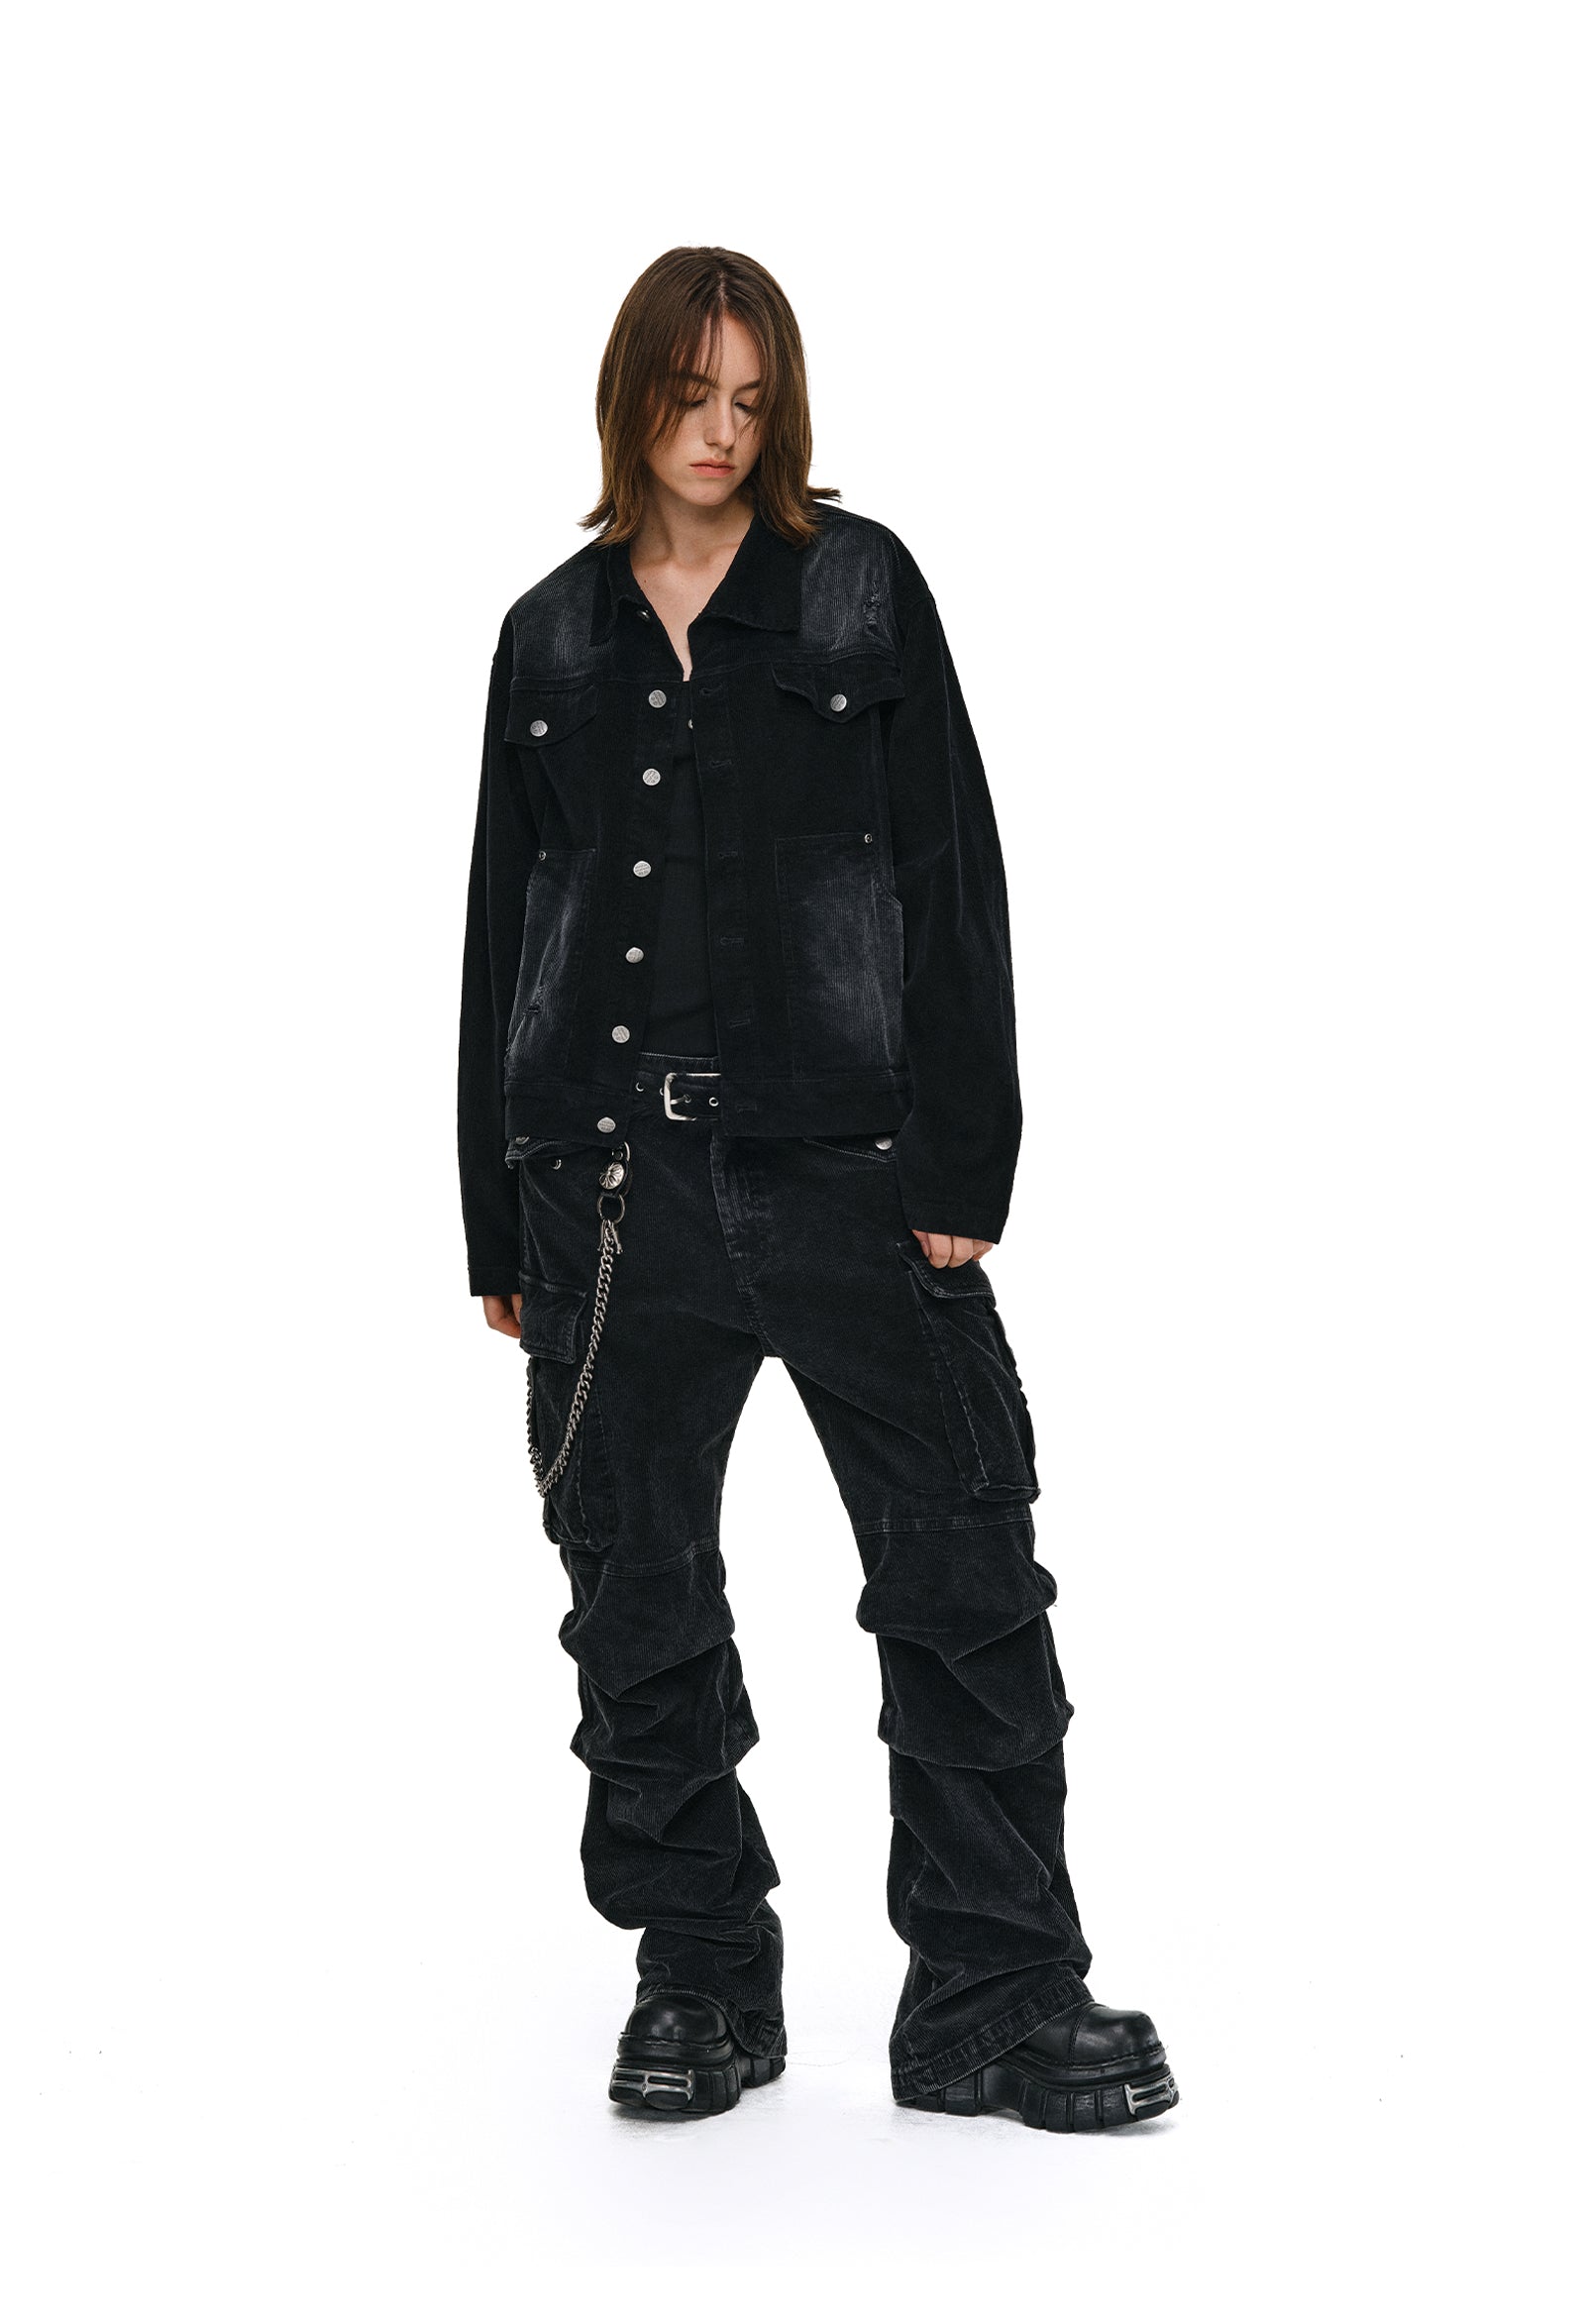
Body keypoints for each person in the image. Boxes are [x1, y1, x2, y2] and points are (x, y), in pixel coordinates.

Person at [457, 247, 1177, 2132]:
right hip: (608, 1189)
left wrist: (964, 1159)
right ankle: (701, 1971)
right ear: (629, 396)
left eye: (751, 401)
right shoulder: (548, 639)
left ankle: (993, 1997)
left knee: (963, 1575)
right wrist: (493, 1215)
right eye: (687, 394)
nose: (717, 433)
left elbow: (954, 868)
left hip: (851, 1172)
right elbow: (502, 927)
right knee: (634, 1597)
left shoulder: (861, 589)